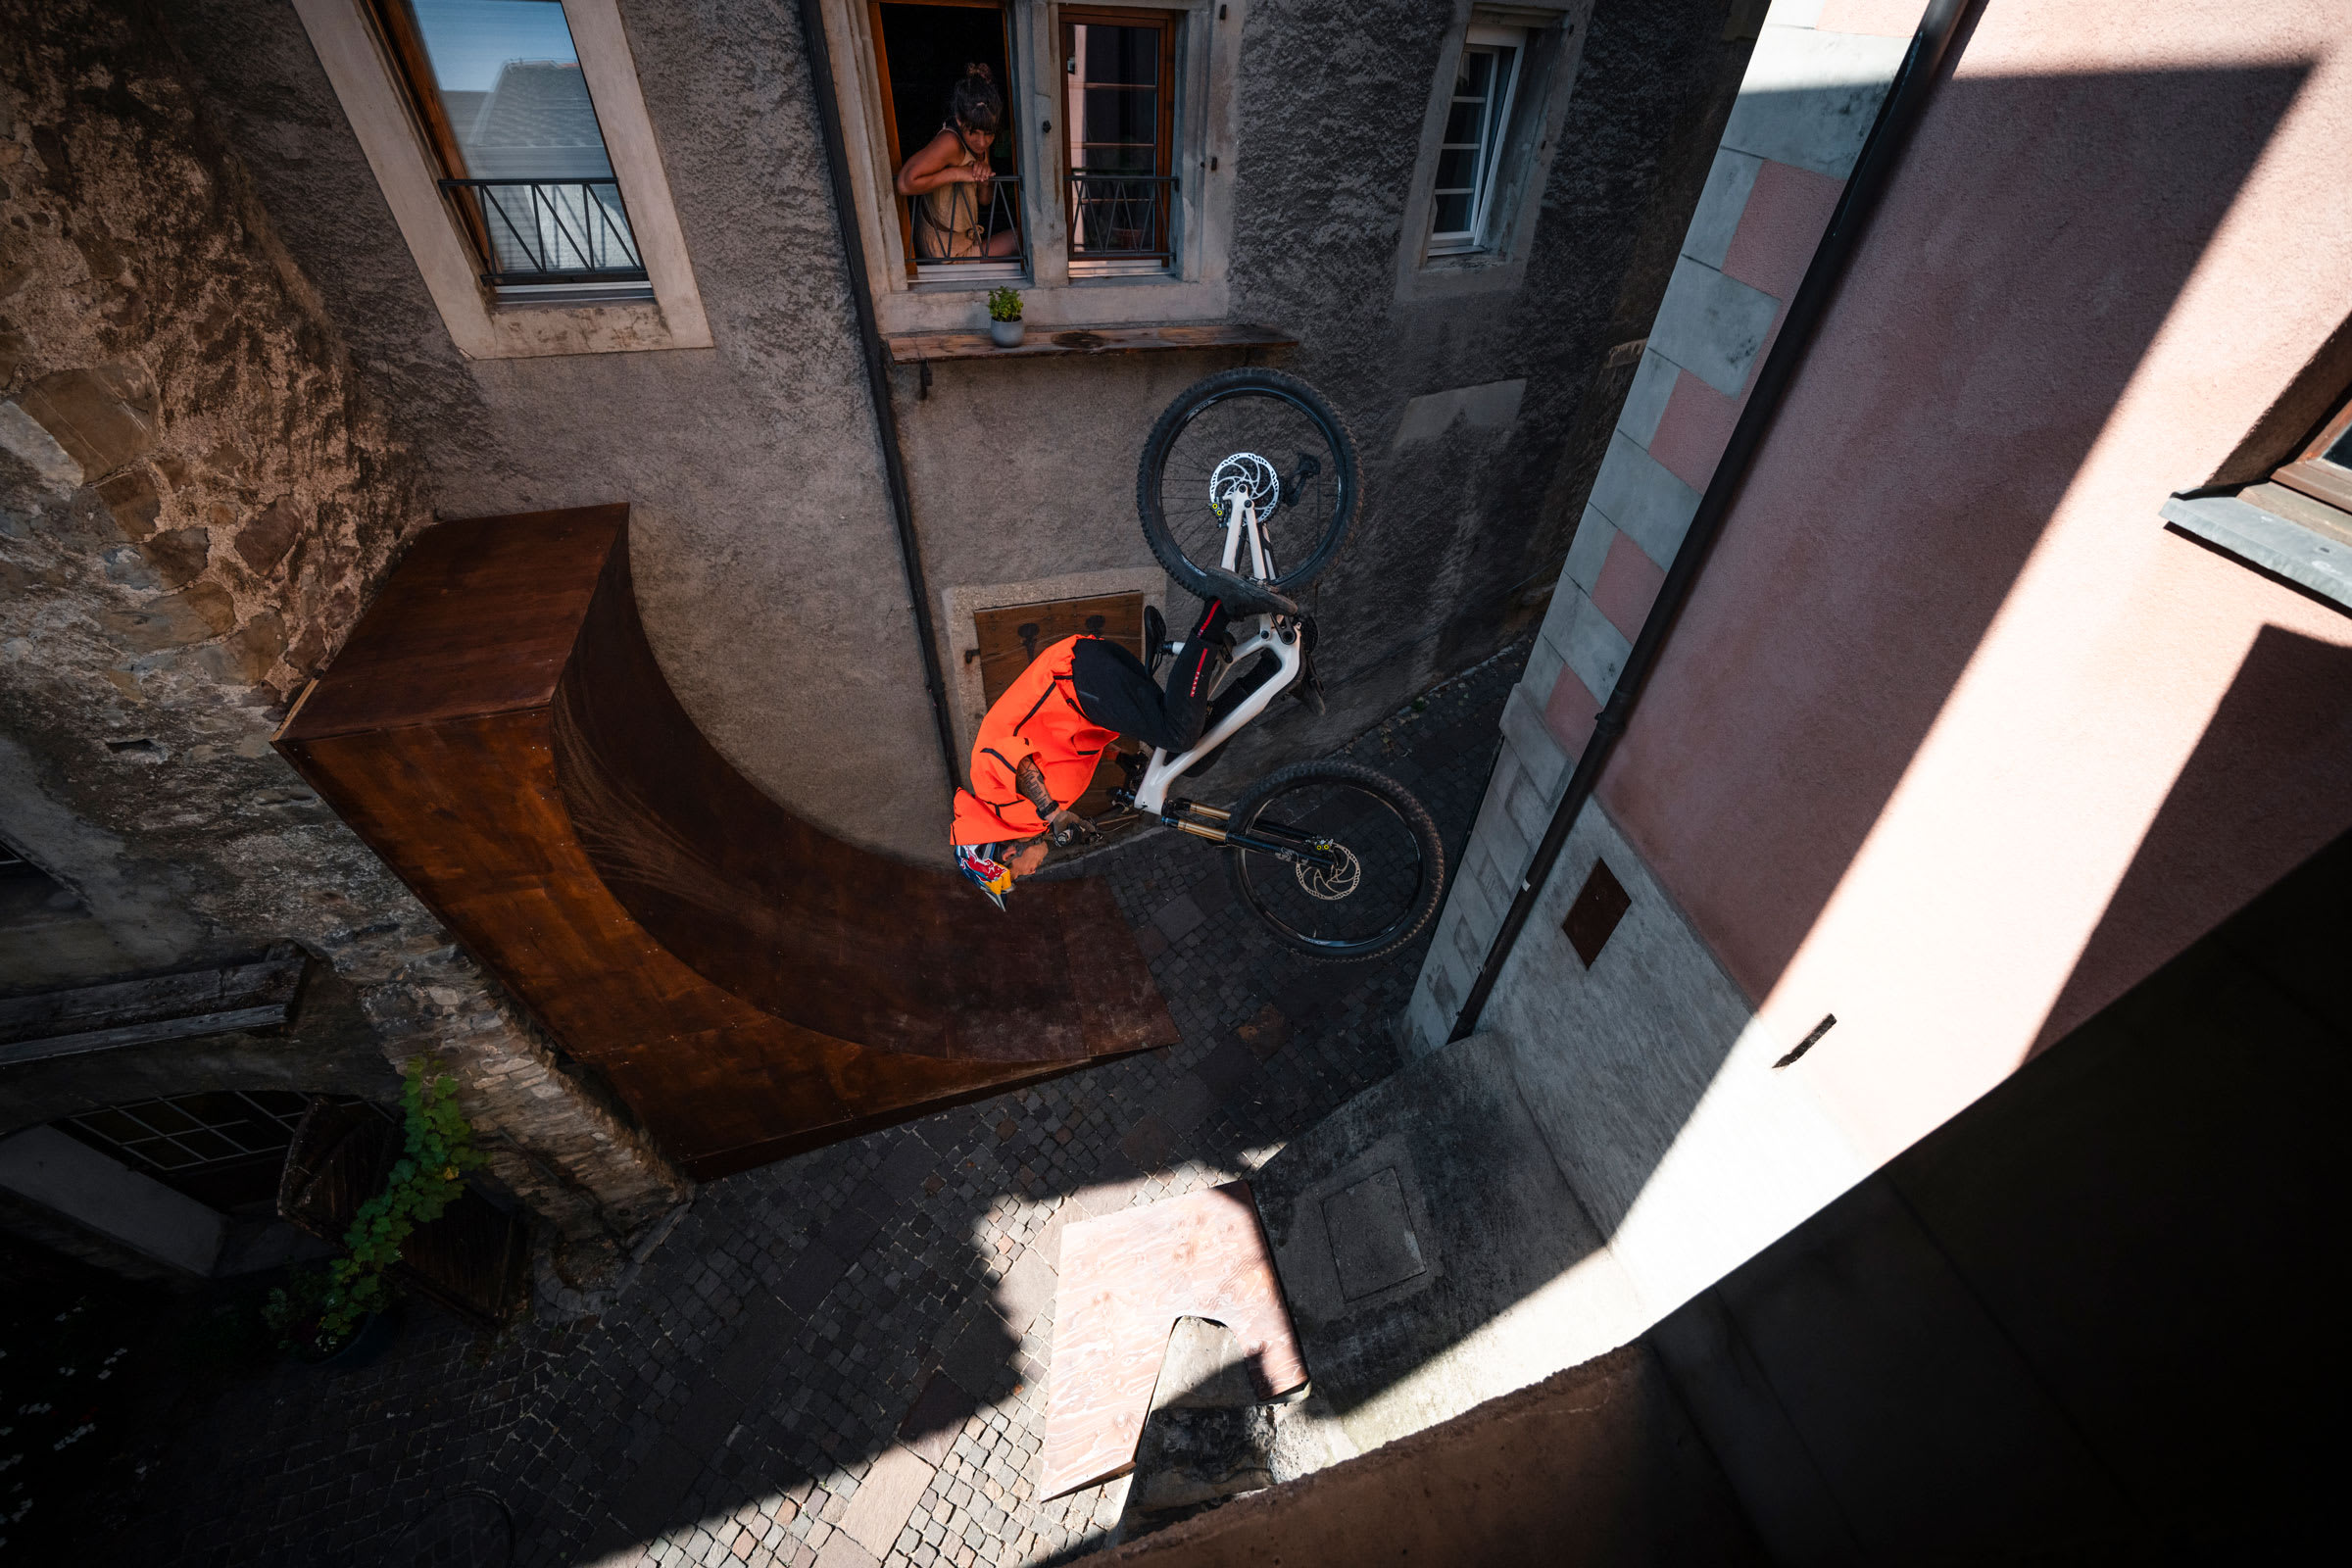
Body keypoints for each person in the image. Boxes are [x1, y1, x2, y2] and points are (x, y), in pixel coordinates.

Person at [952, 570, 1296, 907]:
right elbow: (1058, 752)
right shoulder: (1023, 818)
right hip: (1091, 698)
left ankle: (1219, 607)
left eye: (1016, 876)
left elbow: (1019, 760)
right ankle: (1274, 672)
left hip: (1077, 679)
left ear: (1007, 854)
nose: (1029, 873)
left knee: (1176, 732)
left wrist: (1056, 814)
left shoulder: (991, 792)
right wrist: (1121, 758)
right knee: (1188, 761)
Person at [896, 64, 1020, 260]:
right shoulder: (950, 143)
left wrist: (983, 178)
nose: (982, 142)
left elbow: (985, 200)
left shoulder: (981, 141)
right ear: (960, 120)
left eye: (989, 134)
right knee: (1023, 238)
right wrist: (957, 173)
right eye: (975, 133)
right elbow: (904, 184)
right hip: (945, 250)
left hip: (964, 238)